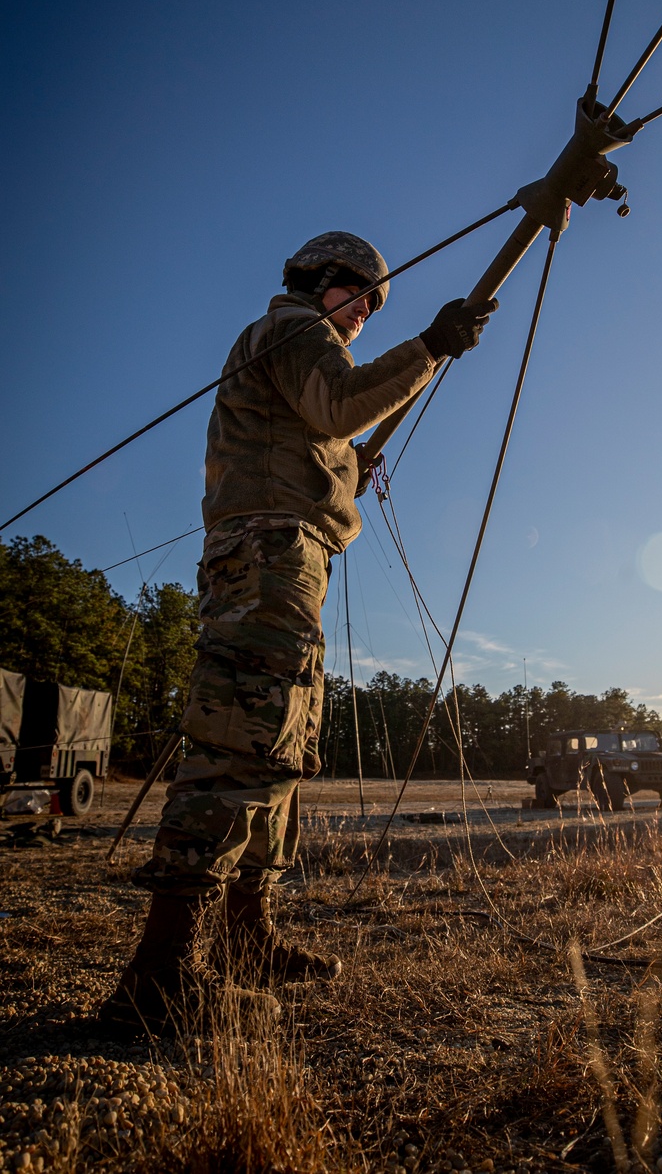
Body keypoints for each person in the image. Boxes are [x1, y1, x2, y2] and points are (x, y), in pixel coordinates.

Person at [101, 231, 497, 1035]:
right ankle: (163, 972)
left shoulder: (297, 342)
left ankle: (248, 934)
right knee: (242, 743)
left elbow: (322, 430)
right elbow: (341, 405)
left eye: (376, 310)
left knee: (280, 746)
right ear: (323, 281)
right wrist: (430, 346)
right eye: (361, 299)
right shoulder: (293, 330)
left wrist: (344, 467)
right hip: (270, 556)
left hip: (288, 555)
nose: (364, 320)